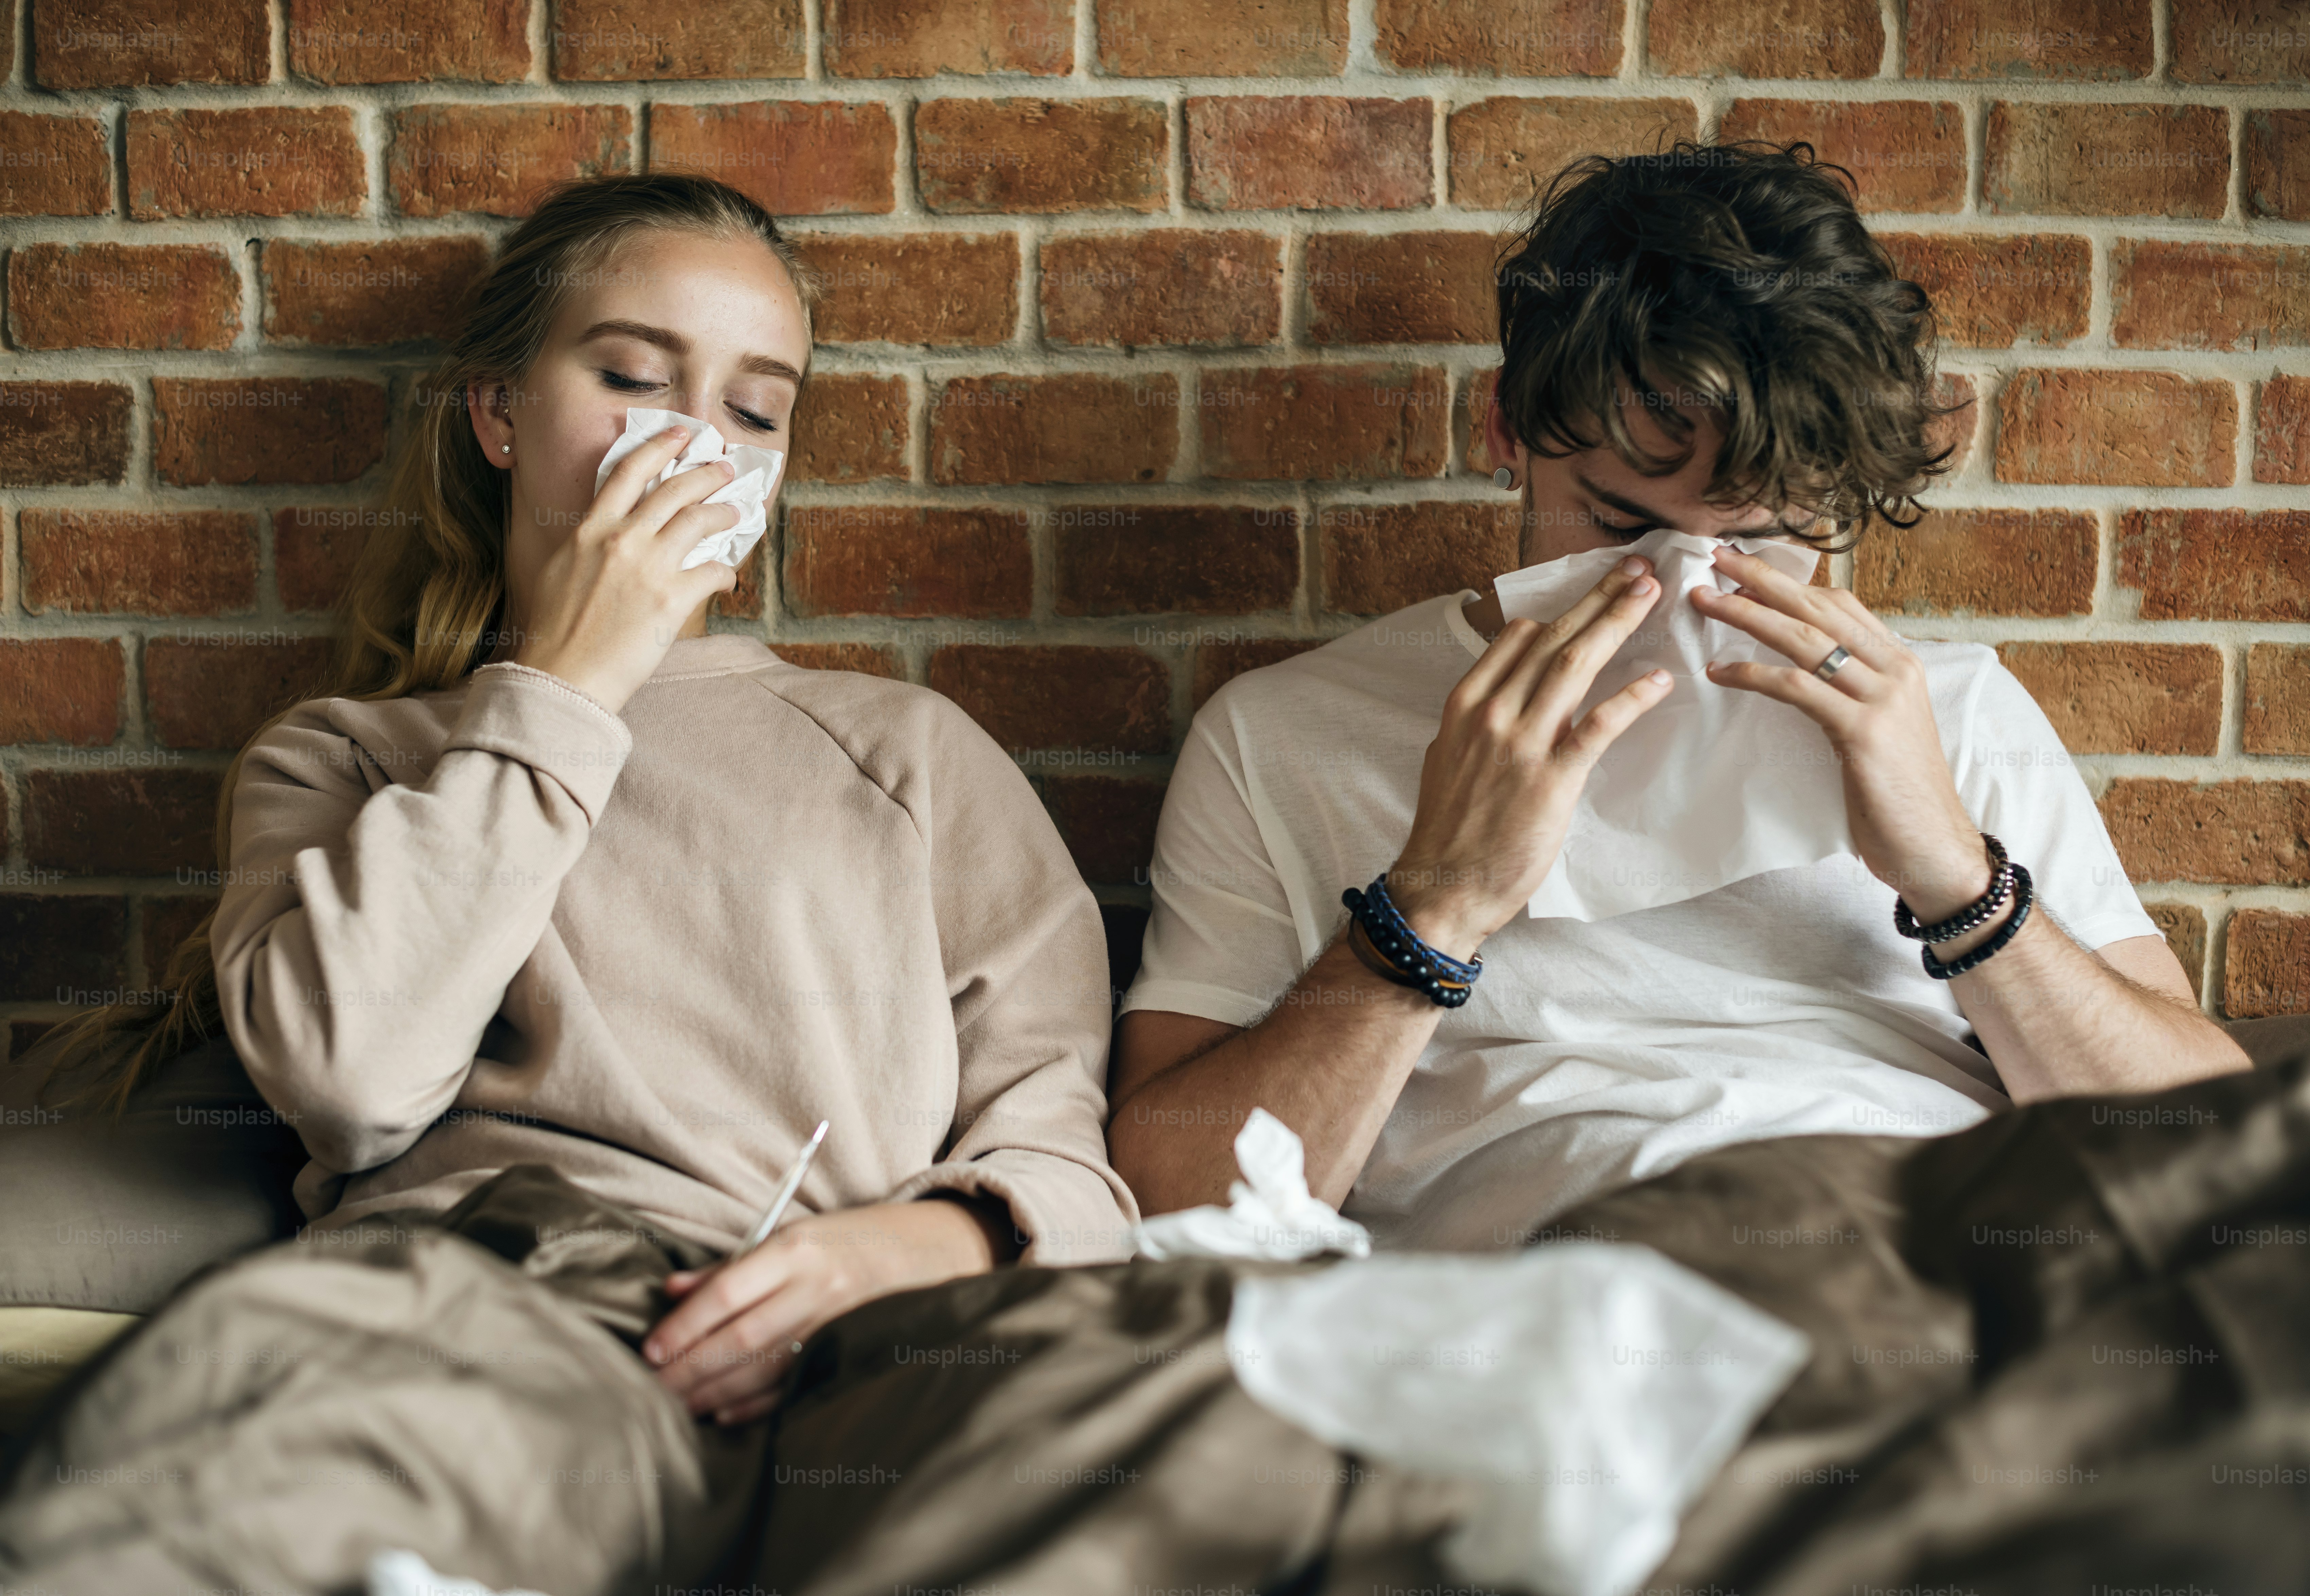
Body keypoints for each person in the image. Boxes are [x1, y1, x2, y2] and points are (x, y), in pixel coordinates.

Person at [0, 173, 1135, 1596]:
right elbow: (350, 1077)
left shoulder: (908, 753)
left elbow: (1071, 1153)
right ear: (498, 416)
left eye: (753, 409)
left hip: (852, 1338)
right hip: (485, 1300)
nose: (692, 442)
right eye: (632, 377)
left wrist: (910, 1245)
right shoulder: (347, 757)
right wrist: (570, 677)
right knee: (195, 1494)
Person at [1106, 140, 2251, 1245]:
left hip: (1941, 1258)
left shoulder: (1951, 708)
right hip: (1579, 1299)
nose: (1682, 588)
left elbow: (2215, 1154)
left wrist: (1957, 879)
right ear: (1507, 426)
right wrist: (1432, 909)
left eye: (1764, 540)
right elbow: (1165, 1203)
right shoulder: (1285, 735)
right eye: (1620, 526)